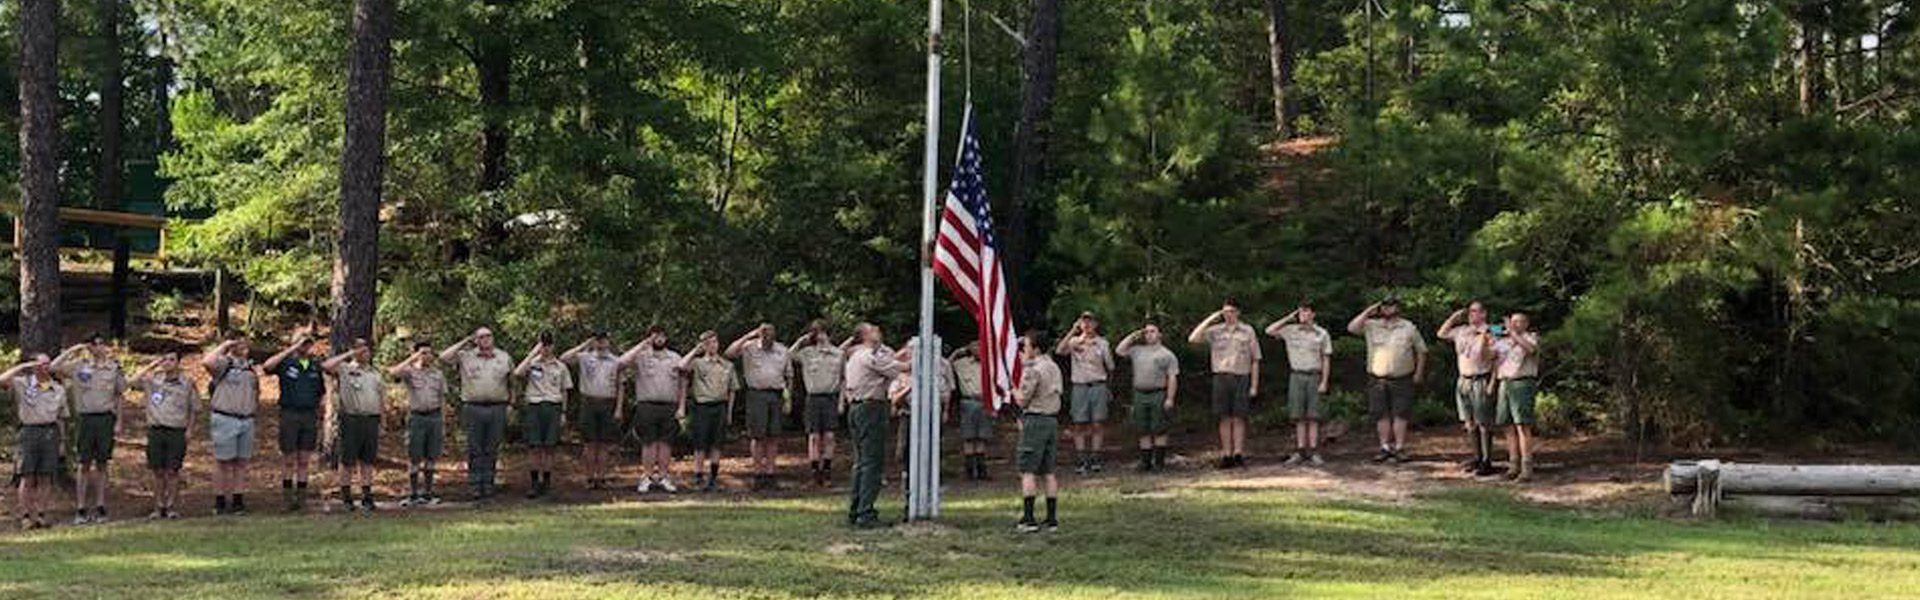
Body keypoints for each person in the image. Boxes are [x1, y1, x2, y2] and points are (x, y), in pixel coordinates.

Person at [52, 334, 126, 524]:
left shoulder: (113, 367)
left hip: (105, 419)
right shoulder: (78, 366)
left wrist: (119, 421)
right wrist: (74, 348)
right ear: (89, 347)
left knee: (102, 463)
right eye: (95, 344)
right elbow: (54, 367)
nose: (100, 348)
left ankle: (101, 506)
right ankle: (81, 507)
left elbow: (119, 395)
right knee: (83, 464)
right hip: (85, 419)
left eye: (102, 344)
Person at [1348, 297, 1427, 464]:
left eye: (1391, 306)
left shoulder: (1408, 327)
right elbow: (1352, 328)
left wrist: (1418, 373)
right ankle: (1384, 447)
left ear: (1397, 308)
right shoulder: (1371, 325)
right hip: (1377, 379)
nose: (1388, 309)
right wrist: (1369, 310)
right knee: (1380, 414)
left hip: (1402, 377)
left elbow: (1421, 351)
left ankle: (1399, 448)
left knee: (1401, 414)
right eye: (1384, 306)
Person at [440, 328, 514, 500]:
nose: (486, 339)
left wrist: (511, 404)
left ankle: (488, 484)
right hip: (473, 407)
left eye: (489, 335)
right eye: (481, 337)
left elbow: (511, 381)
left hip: (497, 407)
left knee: (492, 447)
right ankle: (475, 484)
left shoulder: (504, 357)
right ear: (476, 340)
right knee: (475, 447)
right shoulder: (466, 356)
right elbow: (443, 357)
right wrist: (465, 340)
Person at [1187, 300, 1262, 468]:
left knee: (1239, 417)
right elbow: (1193, 338)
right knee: (1224, 417)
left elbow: (1255, 359)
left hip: (1241, 376)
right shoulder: (1215, 331)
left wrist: (1254, 385)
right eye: (1225, 312)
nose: (1228, 314)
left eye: (1231, 311)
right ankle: (1226, 454)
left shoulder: (1247, 330)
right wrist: (1211, 318)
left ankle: (1238, 454)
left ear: (1238, 312)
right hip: (1221, 377)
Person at [841, 323, 900, 528]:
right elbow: (895, 370)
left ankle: (856, 509)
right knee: (871, 463)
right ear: (865, 336)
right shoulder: (867, 356)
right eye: (874, 329)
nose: (879, 331)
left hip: (859, 408)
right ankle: (865, 513)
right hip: (870, 409)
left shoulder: (857, 355)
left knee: (861, 462)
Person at [261, 332, 326, 512]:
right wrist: (291, 349)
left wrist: (321, 411)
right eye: (302, 342)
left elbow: (321, 391)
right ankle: (287, 499)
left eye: (307, 343)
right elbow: (267, 367)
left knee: (304, 460)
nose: (305, 346)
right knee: (289, 459)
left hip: (309, 415)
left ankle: (302, 499)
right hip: (290, 413)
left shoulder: (314, 365)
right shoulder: (286, 362)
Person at [1265, 302, 1333, 465]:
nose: (1303, 315)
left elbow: (1326, 358)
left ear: (1313, 314)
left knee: (1313, 416)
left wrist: (1324, 381)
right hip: (1296, 375)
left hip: (1314, 375)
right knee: (1298, 416)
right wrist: (1288, 317)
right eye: (1301, 312)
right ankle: (1300, 450)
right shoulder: (1290, 330)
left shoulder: (1321, 333)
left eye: (1306, 312)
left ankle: (1314, 451)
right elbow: (1269, 330)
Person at [4, 354, 67, 529]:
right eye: (40, 364)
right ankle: (25, 516)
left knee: (45, 476)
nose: (44, 367)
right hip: (29, 431)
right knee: (27, 476)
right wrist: (24, 365)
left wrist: (62, 442)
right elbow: (2, 379)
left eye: (47, 364)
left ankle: (41, 515)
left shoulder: (58, 389)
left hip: (50, 431)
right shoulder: (23, 383)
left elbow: (62, 417)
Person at [726, 323, 792, 490]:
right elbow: (729, 353)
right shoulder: (749, 347)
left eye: (770, 335)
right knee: (757, 436)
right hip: (757, 394)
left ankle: (770, 474)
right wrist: (748, 335)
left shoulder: (782, 350)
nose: (767, 338)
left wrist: (788, 398)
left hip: (776, 394)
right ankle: (757, 475)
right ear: (759, 335)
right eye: (763, 335)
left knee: (773, 436)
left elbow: (789, 375)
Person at [620, 326, 685, 493]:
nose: (659, 338)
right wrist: (644, 344)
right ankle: (647, 477)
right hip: (646, 404)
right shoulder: (641, 356)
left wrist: (681, 406)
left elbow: (683, 383)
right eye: (655, 335)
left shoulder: (675, 357)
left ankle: (663, 476)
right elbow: (622, 362)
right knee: (648, 442)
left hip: (669, 405)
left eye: (662, 335)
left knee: (665, 443)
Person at [201, 335, 261, 515]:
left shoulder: (250, 369)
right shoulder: (224, 364)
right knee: (222, 462)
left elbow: (256, 391)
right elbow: (207, 361)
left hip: (246, 419)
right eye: (239, 342)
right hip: (225, 418)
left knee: (241, 462)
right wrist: (226, 345)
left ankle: (238, 500)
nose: (244, 346)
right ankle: (220, 501)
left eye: (245, 343)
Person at [1437, 302, 1498, 476]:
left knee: (1483, 422)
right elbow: (1441, 334)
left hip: (1481, 378)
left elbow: (1496, 358)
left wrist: (1492, 382)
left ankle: (1487, 460)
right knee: (1469, 422)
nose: (1472, 314)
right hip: (1464, 379)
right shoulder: (1462, 330)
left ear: (1484, 314)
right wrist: (1454, 318)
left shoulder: (1491, 331)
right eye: (1470, 311)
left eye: (1476, 311)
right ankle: (1476, 457)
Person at [323, 338, 384, 513]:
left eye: (367, 349)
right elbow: (327, 366)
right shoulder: (345, 369)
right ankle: (347, 497)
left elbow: (381, 397)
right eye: (361, 349)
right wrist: (350, 354)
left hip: (370, 419)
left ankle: (366, 496)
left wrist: (382, 420)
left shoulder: (374, 373)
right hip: (351, 419)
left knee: (367, 460)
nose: (365, 352)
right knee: (347, 460)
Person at [131, 353, 195, 520]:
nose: (167, 363)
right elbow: (131, 381)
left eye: (172, 359)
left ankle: (172, 506)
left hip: (176, 430)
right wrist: (152, 364)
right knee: (158, 471)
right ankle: (158, 506)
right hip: (156, 430)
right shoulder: (153, 381)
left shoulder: (187, 383)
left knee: (173, 471)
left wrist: (190, 429)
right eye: (165, 359)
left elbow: (194, 408)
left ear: (178, 363)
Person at [1014, 331, 1064, 533]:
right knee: (1049, 471)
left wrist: (1011, 389)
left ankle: (1029, 518)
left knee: (1028, 470)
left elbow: (1022, 399)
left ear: (1035, 348)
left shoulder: (1034, 370)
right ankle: (1051, 518)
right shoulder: (1053, 366)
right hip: (1052, 420)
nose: (1024, 350)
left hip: (1035, 419)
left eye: (1026, 345)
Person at [388, 341, 448, 506]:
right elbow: (394, 372)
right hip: (417, 417)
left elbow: (442, 398)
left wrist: (443, 421)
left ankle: (428, 493)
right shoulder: (410, 372)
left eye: (429, 352)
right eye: (423, 352)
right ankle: (413, 493)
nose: (426, 356)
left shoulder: (438, 374)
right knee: (414, 456)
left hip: (434, 417)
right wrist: (413, 357)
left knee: (431, 456)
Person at [1054, 312, 1114, 475]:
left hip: (1098, 385)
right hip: (1080, 385)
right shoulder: (1074, 342)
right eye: (1083, 322)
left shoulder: (1102, 343)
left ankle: (1095, 456)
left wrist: (1108, 387)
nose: (1087, 325)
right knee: (1079, 423)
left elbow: (1110, 366)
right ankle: (1081, 458)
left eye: (1090, 322)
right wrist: (1072, 331)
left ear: (1096, 324)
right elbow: (1059, 351)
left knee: (1097, 423)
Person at [561, 332, 623, 490]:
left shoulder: (616, 361)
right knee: (589, 443)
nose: (601, 343)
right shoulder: (585, 357)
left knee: (603, 444)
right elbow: (564, 358)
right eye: (598, 340)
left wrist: (618, 408)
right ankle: (589, 477)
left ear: (609, 342)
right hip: (589, 401)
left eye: (604, 340)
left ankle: (601, 478)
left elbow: (620, 386)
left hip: (608, 402)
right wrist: (585, 344)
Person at [514, 334, 573, 499]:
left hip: (553, 406)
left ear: (553, 346)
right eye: (543, 344)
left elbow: (565, 391)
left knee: (549, 447)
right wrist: (534, 352)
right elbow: (518, 373)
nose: (546, 348)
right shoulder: (532, 364)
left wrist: (563, 413)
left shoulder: (560, 367)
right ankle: (534, 482)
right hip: (534, 406)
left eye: (548, 344)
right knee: (534, 446)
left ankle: (546, 481)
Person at [1115, 324, 1179, 472]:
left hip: (1158, 393)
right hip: (1139, 393)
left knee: (1159, 428)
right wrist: (1134, 334)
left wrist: (1170, 398)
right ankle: (1145, 463)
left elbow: (1172, 377)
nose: (1149, 334)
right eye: (1146, 332)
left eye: (1152, 331)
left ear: (1159, 334)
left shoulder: (1167, 354)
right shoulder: (1137, 351)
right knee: (1142, 428)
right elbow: (1119, 350)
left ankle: (1159, 463)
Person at [680, 331, 738, 493]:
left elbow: (733, 389)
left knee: (716, 444)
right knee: (700, 444)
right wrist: (695, 350)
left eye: (714, 342)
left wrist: (729, 413)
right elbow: (681, 366)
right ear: (703, 345)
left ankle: (713, 477)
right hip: (702, 407)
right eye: (708, 343)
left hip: (720, 406)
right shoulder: (697, 363)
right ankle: (698, 476)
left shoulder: (727, 365)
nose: (712, 345)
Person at [790, 321, 846, 487]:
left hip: (831, 397)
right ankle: (815, 473)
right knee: (814, 437)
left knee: (829, 436)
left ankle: (827, 471)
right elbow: (789, 354)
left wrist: (841, 401)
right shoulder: (807, 353)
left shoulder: (838, 354)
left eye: (822, 332)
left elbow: (844, 379)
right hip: (813, 398)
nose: (820, 336)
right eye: (816, 333)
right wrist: (802, 340)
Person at [1494, 312, 1542, 482]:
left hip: (1522, 383)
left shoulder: (1531, 337)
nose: (1514, 324)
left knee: (1522, 425)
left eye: (1518, 322)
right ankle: (1513, 465)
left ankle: (1526, 466)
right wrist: (1485, 340)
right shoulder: (1506, 342)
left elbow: (1530, 349)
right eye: (1512, 322)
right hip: (1505, 383)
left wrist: (1513, 333)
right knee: (1507, 425)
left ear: (1526, 324)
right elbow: (1492, 358)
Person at [947, 344, 994, 480]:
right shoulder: (962, 364)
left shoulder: (989, 363)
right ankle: (969, 470)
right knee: (969, 436)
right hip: (969, 401)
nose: (979, 350)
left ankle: (981, 470)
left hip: (984, 402)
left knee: (981, 437)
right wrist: (957, 352)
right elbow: (946, 365)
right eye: (976, 347)